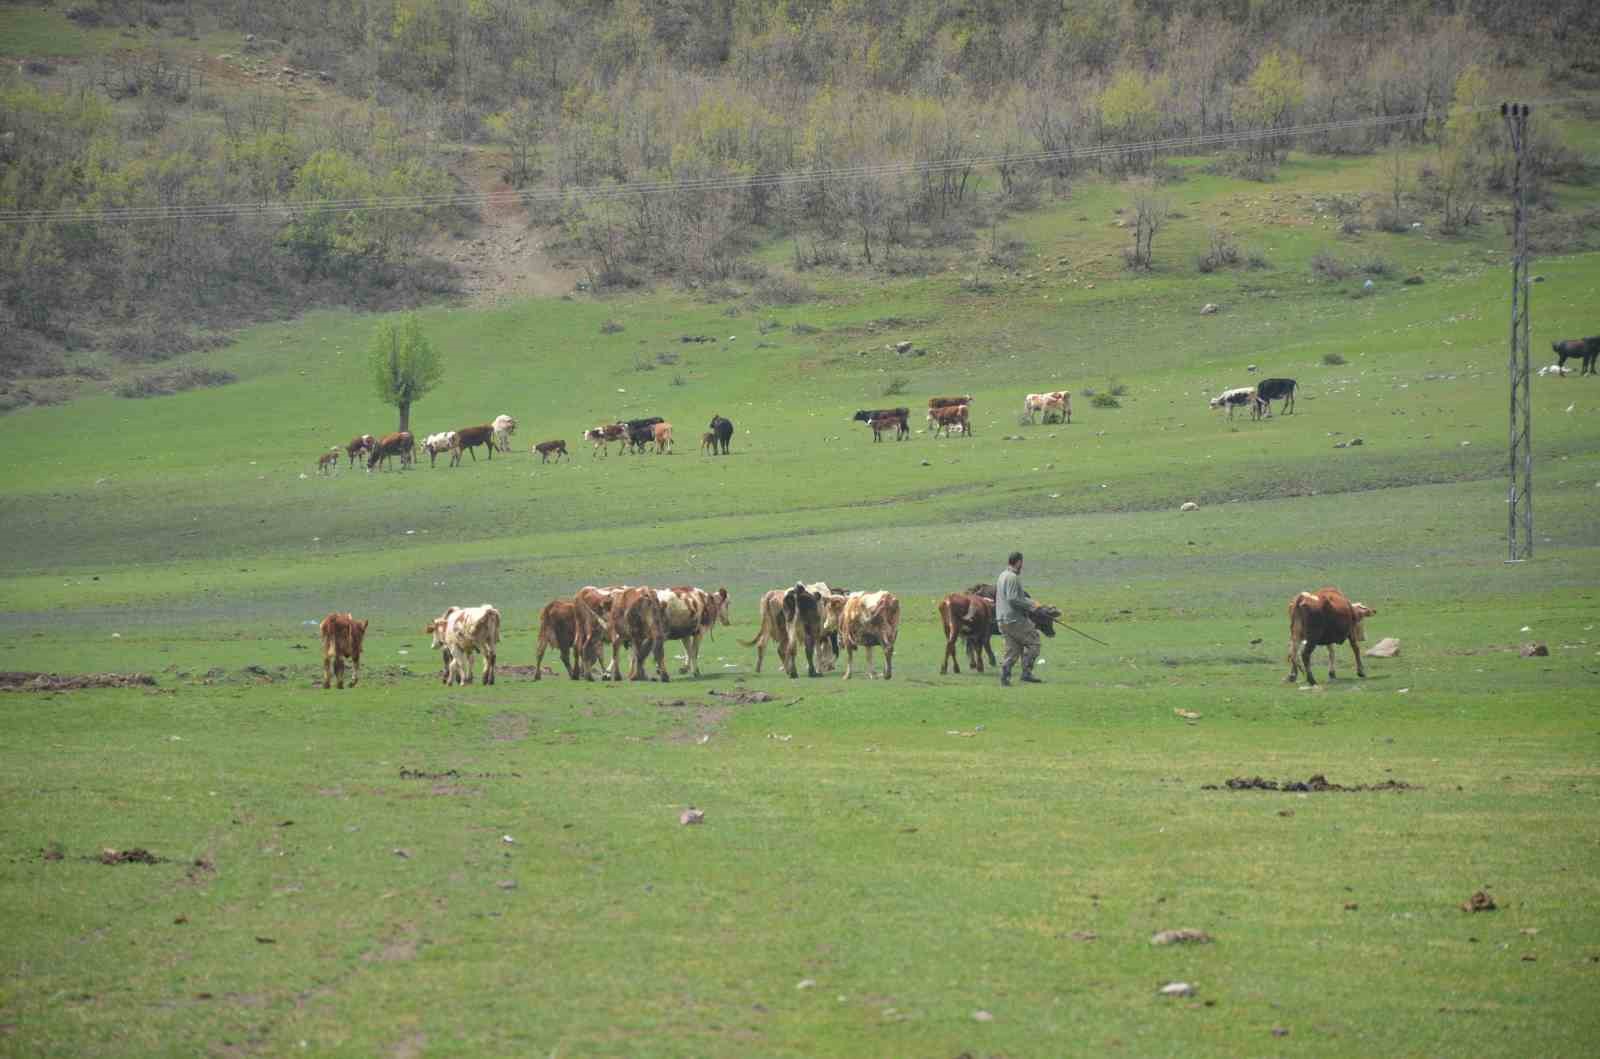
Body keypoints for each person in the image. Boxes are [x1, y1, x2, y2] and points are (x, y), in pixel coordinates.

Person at [995, 551, 1042, 686]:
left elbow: (1014, 596)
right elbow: (1013, 598)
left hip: (1002, 620)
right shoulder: (1012, 577)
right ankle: (1026, 673)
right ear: (1019, 562)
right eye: (1022, 563)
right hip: (1014, 620)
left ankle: (1005, 677)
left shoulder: (1002, 576)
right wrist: (1032, 605)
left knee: (1013, 650)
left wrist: (1029, 601)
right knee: (1034, 642)